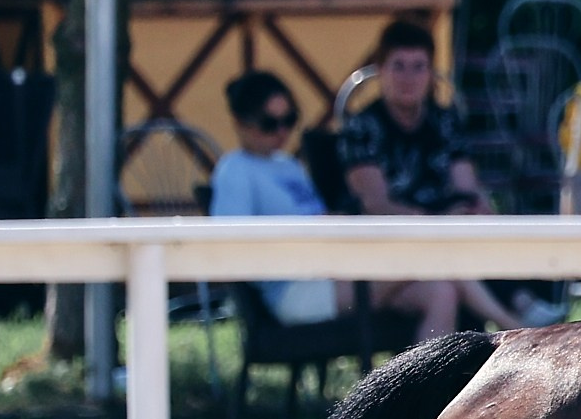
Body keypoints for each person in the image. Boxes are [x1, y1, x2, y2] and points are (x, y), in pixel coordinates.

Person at [333, 20, 558, 332]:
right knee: (449, 249)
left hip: (448, 231)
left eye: (418, 67)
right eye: (398, 66)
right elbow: (376, 204)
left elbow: (466, 185)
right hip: (390, 244)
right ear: (380, 70)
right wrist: (439, 220)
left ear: (431, 73)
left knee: (482, 229)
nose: (408, 77)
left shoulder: (444, 122)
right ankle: (518, 321)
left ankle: (519, 313)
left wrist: (480, 211)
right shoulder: (361, 128)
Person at [210, 71, 345, 326]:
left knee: (433, 289)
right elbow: (231, 249)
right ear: (241, 122)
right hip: (293, 290)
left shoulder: (288, 164)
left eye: (290, 119)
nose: (282, 131)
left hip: (331, 273)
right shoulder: (235, 170)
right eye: (269, 123)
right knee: (423, 282)